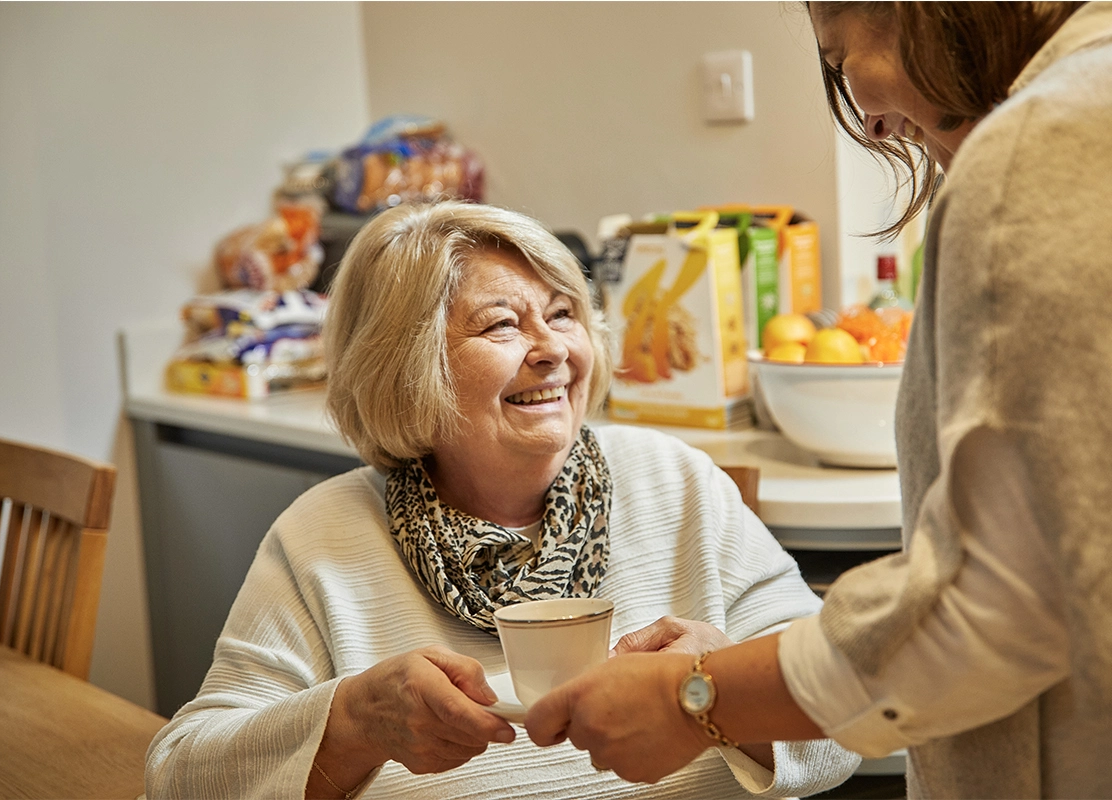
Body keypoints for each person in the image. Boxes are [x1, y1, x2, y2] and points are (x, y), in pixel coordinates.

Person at [523, 3, 1112, 797]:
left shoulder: (1043, 147)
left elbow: (992, 606)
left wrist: (697, 695)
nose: (867, 119)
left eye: (838, 56)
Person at [143, 202, 858, 799]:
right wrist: (353, 720)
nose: (553, 350)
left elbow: (846, 718)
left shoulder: (677, 483)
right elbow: (180, 777)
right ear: (406, 367)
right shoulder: (325, 535)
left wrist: (720, 690)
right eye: (502, 325)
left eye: (562, 314)